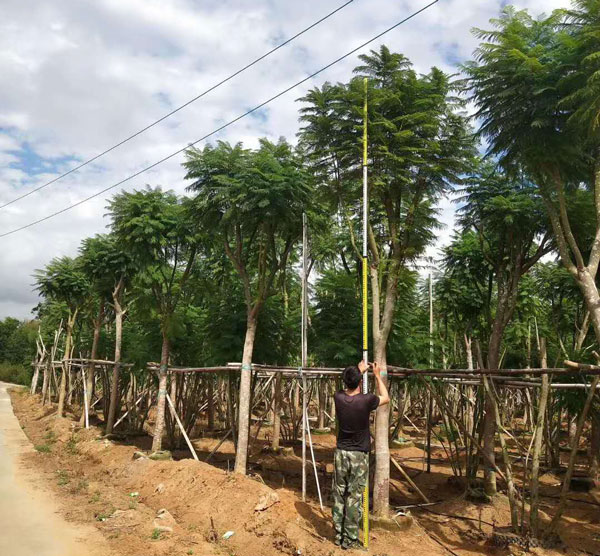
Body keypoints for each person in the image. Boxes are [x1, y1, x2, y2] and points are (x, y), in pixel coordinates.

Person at [332, 360, 390, 550]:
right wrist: (377, 375)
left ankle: (339, 535)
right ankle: (350, 539)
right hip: (358, 455)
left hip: (341, 453)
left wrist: (358, 371)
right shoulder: (366, 401)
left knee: (340, 492)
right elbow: (386, 397)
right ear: (359, 383)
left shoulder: (338, 397)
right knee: (354, 496)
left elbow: (346, 385)